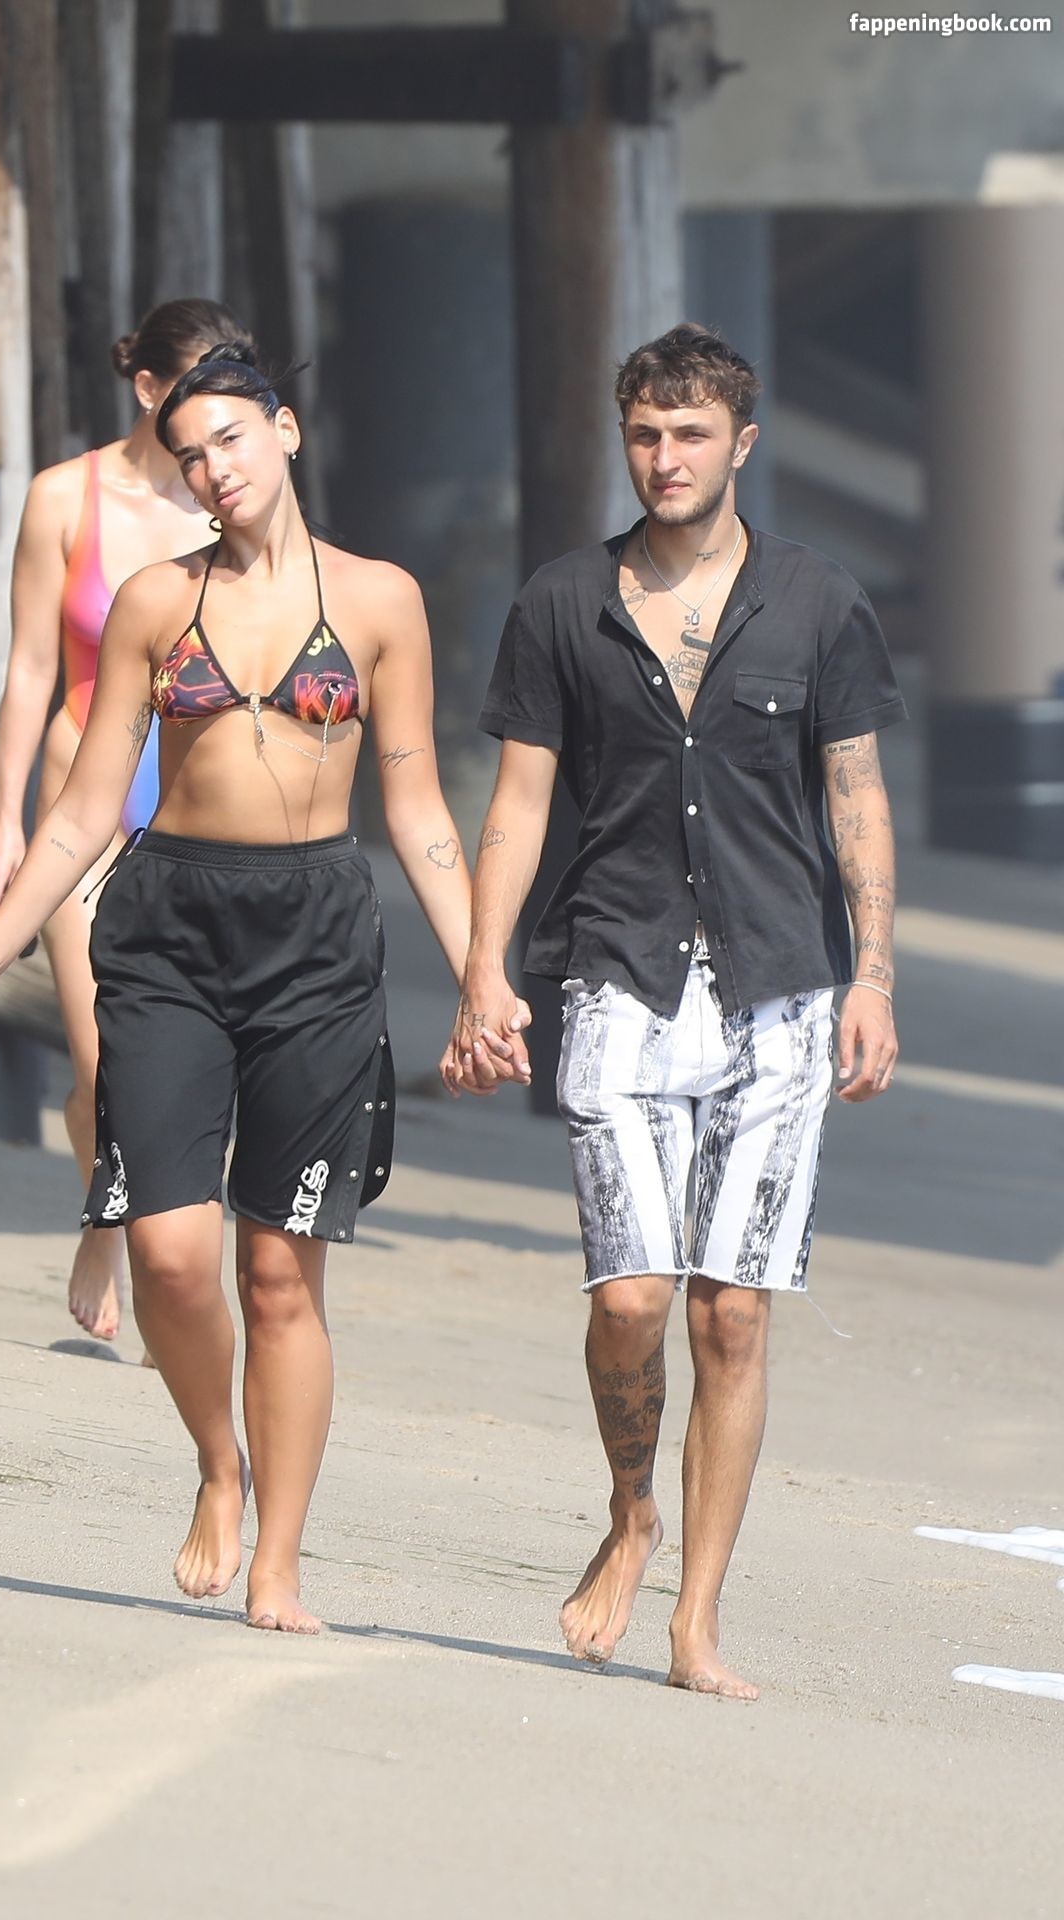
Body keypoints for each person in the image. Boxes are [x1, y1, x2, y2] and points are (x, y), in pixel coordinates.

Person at [0, 342, 480, 1633]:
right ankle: (219, 1466)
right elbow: (79, 814)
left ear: (285, 431)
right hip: (167, 928)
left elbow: (419, 811)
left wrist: (481, 974)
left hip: (317, 937)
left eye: (230, 439)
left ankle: (279, 1557)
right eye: (189, 455)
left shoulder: (380, 600)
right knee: (170, 1257)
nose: (213, 470)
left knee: (279, 1274)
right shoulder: (157, 603)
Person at [448, 322, 905, 1699]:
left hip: (781, 990)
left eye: (690, 434)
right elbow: (519, 802)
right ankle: (630, 1509)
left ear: (739, 444)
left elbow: (855, 795)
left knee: (731, 1317)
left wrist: (874, 976)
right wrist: (482, 970)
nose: (665, 457)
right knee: (633, 1298)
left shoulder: (817, 602)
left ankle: (696, 1620)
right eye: (645, 434)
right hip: (616, 973)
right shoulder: (562, 603)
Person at [0, 298, 250, 1345]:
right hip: (80, 798)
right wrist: (4, 820)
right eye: (200, 385)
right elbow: (28, 668)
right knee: (102, 1062)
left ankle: (126, 1219)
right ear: (148, 388)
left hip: (195, 807)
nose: (218, 416)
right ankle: (112, 1222)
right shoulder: (64, 496)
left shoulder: (232, 500)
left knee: (177, 1066)